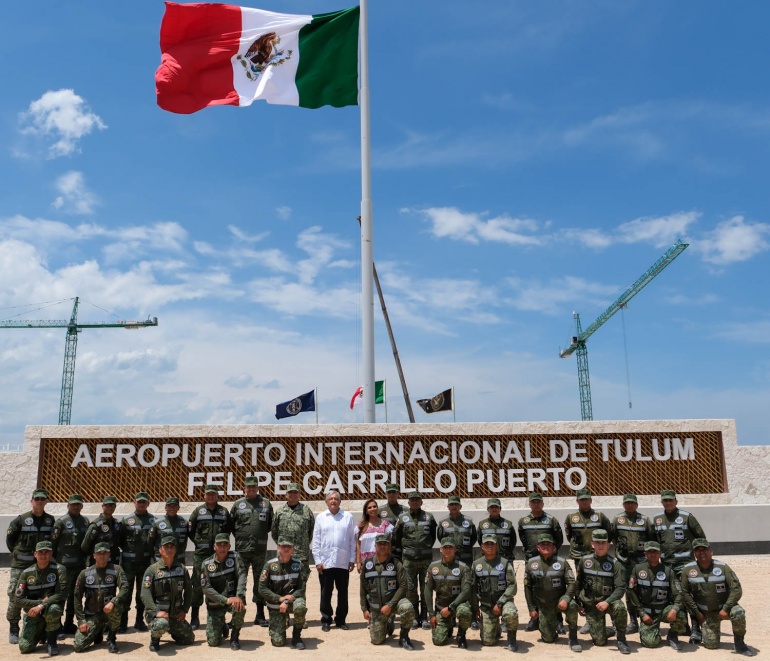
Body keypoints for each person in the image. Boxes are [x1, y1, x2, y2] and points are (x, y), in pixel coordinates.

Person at [680, 538, 754, 656]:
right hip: (706, 613)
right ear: (694, 554)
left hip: (725, 608)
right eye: (698, 550)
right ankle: (700, 630)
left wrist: (726, 608)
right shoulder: (688, 570)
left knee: (738, 613)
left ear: (711, 551)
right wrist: (697, 613)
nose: (701, 552)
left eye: (704, 549)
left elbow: (736, 589)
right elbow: (684, 593)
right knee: (711, 645)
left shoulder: (723, 567)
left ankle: (740, 643)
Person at [653, 489, 706, 644]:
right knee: (674, 595)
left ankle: (696, 630)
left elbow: (701, 537)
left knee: (689, 596)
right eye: (665, 500)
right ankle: (684, 627)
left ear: (676, 501)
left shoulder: (686, 517)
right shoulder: (657, 519)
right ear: (662, 502)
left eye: (671, 500)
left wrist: (700, 559)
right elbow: (654, 542)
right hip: (667, 565)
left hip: (685, 565)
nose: (668, 503)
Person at [7, 488, 56, 645]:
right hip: (21, 565)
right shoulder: (21, 520)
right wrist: (18, 554)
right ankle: (14, 628)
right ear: (32, 501)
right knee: (16, 594)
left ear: (46, 501)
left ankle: (40, 628)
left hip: (41, 565)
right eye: (37, 499)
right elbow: (10, 540)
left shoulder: (50, 520)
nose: (39, 501)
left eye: (43, 499)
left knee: (41, 594)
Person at [522, 533, 581, 652]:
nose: (545, 546)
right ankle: (550, 627)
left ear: (554, 547)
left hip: (560, 601)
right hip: (543, 604)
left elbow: (571, 583)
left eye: (548, 544)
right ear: (537, 547)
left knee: (573, 606)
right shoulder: (531, 564)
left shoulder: (562, 562)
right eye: (542, 544)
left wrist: (566, 598)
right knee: (548, 638)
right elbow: (527, 587)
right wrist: (531, 608)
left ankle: (573, 637)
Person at [575, 529, 630, 654]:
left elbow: (620, 588)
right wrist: (579, 603)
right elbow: (578, 584)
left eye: (603, 543)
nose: (600, 546)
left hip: (608, 603)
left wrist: (608, 601)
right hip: (592, 604)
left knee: (620, 607)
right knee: (599, 641)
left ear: (608, 545)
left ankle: (621, 639)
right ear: (592, 544)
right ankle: (608, 630)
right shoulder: (584, 561)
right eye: (597, 543)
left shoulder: (615, 564)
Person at [626, 540, 686, 650]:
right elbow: (631, 592)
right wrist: (642, 613)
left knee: (680, 614)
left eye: (655, 552)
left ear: (660, 553)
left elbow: (679, 594)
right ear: (645, 554)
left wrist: (674, 609)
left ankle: (672, 635)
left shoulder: (668, 571)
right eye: (650, 552)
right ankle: (653, 631)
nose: (653, 554)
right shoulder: (638, 569)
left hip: (663, 610)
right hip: (647, 612)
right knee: (651, 643)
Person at [230, 475, 273, 627]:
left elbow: (269, 526)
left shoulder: (266, 504)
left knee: (260, 581)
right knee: (239, 581)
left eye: (254, 486)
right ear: (244, 489)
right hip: (241, 550)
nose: (251, 489)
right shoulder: (237, 505)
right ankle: (237, 615)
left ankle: (260, 615)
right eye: (248, 487)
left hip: (259, 550)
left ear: (258, 488)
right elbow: (232, 526)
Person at [517, 492, 564, 632]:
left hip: (550, 561)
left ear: (542, 504)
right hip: (531, 561)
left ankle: (558, 620)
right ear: (529, 504)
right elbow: (522, 539)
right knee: (532, 588)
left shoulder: (551, 520)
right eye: (533, 502)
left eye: (538, 502)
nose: (536, 504)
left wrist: (551, 552)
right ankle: (535, 618)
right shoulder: (523, 521)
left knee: (555, 588)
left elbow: (559, 539)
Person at [360, 533, 416, 649]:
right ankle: (389, 623)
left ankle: (404, 636)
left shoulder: (396, 563)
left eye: (385, 544)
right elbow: (363, 588)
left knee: (407, 607)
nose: (382, 546)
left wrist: (390, 605)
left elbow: (403, 586)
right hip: (377, 608)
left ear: (389, 546)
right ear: (375, 546)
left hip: (394, 603)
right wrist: (364, 609)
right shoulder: (367, 564)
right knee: (376, 641)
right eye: (380, 544)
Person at [187, 484, 232, 629]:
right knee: (198, 584)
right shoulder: (198, 512)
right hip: (201, 555)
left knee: (219, 584)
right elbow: (191, 531)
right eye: (208, 494)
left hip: (218, 555)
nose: (211, 496)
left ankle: (219, 616)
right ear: (204, 496)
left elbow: (227, 531)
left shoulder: (224, 512)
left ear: (217, 496)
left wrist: (220, 547)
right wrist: (201, 544)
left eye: (213, 494)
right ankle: (195, 616)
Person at [141, 534, 195, 652]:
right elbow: (145, 594)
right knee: (161, 624)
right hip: (158, 614)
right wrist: (155, 612)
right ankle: (155, 639)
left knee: (189, 639)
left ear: (175, 550)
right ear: (160, 550)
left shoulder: (181, 569)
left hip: (175, 614)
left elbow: (189, 590)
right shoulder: (152, 570)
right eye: (166, 547)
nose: (169, 550)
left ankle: (173, 630)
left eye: (172, 547)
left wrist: (185, 609)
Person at [73, 542, 130, 653]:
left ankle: (111, 639)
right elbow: (77, 597)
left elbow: (125, 589)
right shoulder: (85, 573)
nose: (102, 556)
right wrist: (81, 621)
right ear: (94, 555)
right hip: (92, 614)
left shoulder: (116, 569)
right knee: (79, 646)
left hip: (108, 612)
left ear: (109, 555)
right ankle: (97, 631)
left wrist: (113, 602)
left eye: (105, 553)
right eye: (99, 553)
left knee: (117, 607)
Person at [312, 490, 356, 631]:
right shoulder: (321, 517)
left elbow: (352, 540)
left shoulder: (347, 517)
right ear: (326, 502)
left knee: (343, 592)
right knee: (326, 591)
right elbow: (316, 541)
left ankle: (341, 619)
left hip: (342, 561)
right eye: (330, 499)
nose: (333, 501)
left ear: (340, 501)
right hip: (325, 562)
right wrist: (317, 561)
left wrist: (352, 559)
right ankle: (326, 619)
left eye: (336, 498)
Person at [392, 490, 437, 630]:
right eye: (412, 500)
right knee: (410, 589)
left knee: (426, 588)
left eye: (417, 500)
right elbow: (396, 538)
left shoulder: (429, 517)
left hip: (425, 560)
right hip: (409, 560)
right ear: (408, 503)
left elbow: (433, 536)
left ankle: (424, 617)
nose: (415, 502)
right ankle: (414, 617)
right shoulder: (402, 518)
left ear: (421, 502)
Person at [14, 540, 67, 656]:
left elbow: (61, 594)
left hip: (49, 609)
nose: (43, 555)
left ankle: (52, 642)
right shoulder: (26, 573)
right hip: (34, 613)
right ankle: (42, 631)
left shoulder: (59, 569)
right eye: (40, 552)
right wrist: (38, 603)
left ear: (51, 554)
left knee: (53, 609)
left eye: (46, 552)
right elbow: (18, 600)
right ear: (35, 554)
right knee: (24, 647)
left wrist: (42, 605)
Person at [611, 493, 654, 635]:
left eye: (632, 503)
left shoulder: (645, 520)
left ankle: (644, 619)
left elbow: (651, 539)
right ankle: (632, 621)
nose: (630, 505)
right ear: (623, 504)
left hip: (641, 562)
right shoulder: (617, 520)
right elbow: (613, 538)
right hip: (624, 562)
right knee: (627, 591)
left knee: (642, 591)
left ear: (636, 504)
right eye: (627, 503)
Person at [51, 494, 90, 640]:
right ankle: (58, 625)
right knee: (61, 596)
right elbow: (53, 544)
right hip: (64, 567)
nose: (75, 506)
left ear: (81, 506)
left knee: (75, 596)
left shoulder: (85, 521)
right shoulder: (60, 522)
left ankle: (69, 623)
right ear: (68, 506)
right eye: (73, 504)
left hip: (80, 566)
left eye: (78, 504)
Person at [258, 538, 309, 649]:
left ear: (293, 549)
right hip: (276, 604)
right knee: (278, 642)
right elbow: (261, 588)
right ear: (278, 548)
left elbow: (301, 588)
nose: (286, 549)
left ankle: (296, 637)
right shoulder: (269, 565)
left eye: (289, 547)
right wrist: (279, 598)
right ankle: (283, 621)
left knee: (300, 606)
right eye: (283, 546)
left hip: (291, 601)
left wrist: (286, 600)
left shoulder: (298, 564)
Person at [476, 497, 516, 633]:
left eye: (496, 507)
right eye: (491, 507)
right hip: (488, 561)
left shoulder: (508, 524)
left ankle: (505, 620)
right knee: (487, 588)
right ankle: (489, 618)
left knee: (506, 589)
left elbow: (513, 541)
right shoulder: (482, 525)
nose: (494, 509)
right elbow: (479, 540)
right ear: (488, 509)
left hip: (504, 562)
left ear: (500, 509)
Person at [201, 533, 247, 650]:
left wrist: (239, 596)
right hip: (215, 603)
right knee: (213, 642)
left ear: (229, 546)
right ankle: (222, 625)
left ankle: (235, 636)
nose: (222, 548)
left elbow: (242, 574)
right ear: (214, 547)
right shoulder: (206, 564)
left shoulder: (235, 557)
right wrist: (224, 600)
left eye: (225, 545)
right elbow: (206, 588)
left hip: (232, 600)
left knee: (240, 607)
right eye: (219, 545)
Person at [473, 534, 519, 651]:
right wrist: (475, 607)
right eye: (487, 544)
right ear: (482, 547)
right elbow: (472, 588)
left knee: (511, 613)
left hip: (503, 603)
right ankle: (496, 628)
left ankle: (512, 638)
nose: (490, 546)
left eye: (492, 544)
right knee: (488, 642)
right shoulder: (476, 565)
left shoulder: (504, 563)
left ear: (497, 546)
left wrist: (500, 603)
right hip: (486, 605)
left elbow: (512, 586)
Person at [425, 539, 473, 648]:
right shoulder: (433, 567)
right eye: (445, 548)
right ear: (440, 549)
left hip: (457, 606)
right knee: (438, 641)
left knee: (465, 611)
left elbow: (466, 591)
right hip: (441, 609)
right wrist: (431, 614)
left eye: (450, 547)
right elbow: (427, 590)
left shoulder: (463, 567)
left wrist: (451, 607)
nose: (448, 550)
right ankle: (449, 625)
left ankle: (461, 634)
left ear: (455, 549)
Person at [118, 491, 154, 633]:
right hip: (128, 563)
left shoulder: (153, 521)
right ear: (134, 503)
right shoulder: (126, 520)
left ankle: (139, 620)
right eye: (139, 502)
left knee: (142, 592)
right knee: (125, 592)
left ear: (148, 504)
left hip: (145, 562)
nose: (141, 504)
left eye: (144, 502)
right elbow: (120, 540)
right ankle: (123, 621)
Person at [271, 483, 315, 564]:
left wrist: (304, 544)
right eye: (290, 492)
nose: (293, 495)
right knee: (282, 576)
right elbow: (274, 532)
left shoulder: (306, 510)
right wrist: (282, 545)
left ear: (299, 495)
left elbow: (311, 530)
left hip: (301, 554)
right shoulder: (280, 511)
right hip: (284, 554)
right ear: (286, 495)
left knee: (301, 576)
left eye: (295, 492)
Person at [436, 496, 477, 566]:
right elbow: (440, 538)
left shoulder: (469, 521)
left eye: (456, 504)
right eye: (451, 505)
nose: (454, 506)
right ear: (448, 507)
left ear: (460, 507)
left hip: (465, 557)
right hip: (449, 558)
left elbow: (474, 538)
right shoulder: (443, 522)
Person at [81, 496, 122, 565]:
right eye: (108, 505)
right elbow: (85, 545)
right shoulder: (96, 525)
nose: (110, 507)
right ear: (103, 506)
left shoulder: (116, 523)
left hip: (114, 562)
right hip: (98, 563)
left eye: (113, 505)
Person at [356, 498, 394, 571]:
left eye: (374, 506)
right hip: (366, 562)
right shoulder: (361, 526)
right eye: (369, 507)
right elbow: (358, 545)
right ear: (366, 511)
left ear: (377, 508)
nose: (372, 509)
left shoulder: (385, 525)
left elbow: (389, 543)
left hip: (382, 561)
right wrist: (358, 562)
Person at [147, 496, 188, 563]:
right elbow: (150, 543)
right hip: (161, 560)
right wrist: (155, 556)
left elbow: (185, 541)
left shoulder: (184, 523)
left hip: (179, 560)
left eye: (174, 506)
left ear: (178, 508)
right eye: (169, 506)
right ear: (166, 508)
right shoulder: (157, 523)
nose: (172, 508)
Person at [379, 484, 405, 561]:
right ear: (385, 494)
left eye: (394, 492)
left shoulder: (405, 510)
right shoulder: (379, 511)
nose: (391, 494)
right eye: (389, 492)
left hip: (402, 549)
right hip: (385, 548)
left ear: (398, 493)